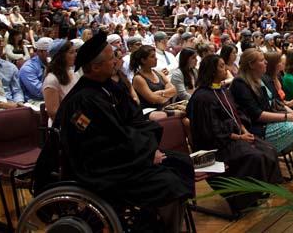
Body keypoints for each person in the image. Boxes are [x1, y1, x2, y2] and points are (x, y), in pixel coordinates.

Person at [51, 32, 195, 231]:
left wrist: (148, 151)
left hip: (127, 154)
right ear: (95, 67)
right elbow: (101, 142)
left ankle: (158, 223)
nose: (117, 62)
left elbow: (135, 119)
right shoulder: (82, 100)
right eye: (112, 59)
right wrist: (146, 155)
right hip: (102, 166)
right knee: (168, 183)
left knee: (181, 162)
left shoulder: (110, 87)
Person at [230, 48, 293, 204]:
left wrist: (292, 114)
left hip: (274, 121)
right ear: (251, 65)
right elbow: (257, 115)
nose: (265, 62)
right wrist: (286, 117)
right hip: (258, 129)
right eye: (262, 60)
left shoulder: (264, 78)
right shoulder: (239, 83)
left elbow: (278, 103)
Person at [187, 54, 282, 212]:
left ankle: (257, 192)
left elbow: (237, 114)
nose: (226, 69)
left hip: (233, 138)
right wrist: (239, 136)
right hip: (213, 148)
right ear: (211, 70)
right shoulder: (202, 97)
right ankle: (240, 200)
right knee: (254, 156)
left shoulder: (222, 90)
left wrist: (244, 130)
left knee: (268, 149)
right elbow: (211, 130)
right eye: (221, 66)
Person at [42, 39, 78, 122]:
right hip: (64, 127)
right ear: (61, 57)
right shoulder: (51, 80)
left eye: (75, 51)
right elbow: (55, 115)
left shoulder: (73, 73)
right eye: (71, 52)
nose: (76, 55)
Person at [18, 37, 53, 103]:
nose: (52, 55)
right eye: (49, 52)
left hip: (51, 97)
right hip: (34, 101)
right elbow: (39, 92)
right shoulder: (28, 68)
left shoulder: (53, 63)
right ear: (39, 52)